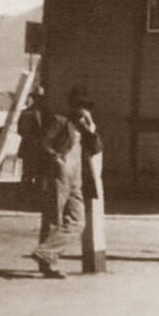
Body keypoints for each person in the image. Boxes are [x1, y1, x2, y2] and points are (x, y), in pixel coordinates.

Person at [32, 86, 102, 277]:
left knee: (78, 222)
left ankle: (45, 252)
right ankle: (49, 265)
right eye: (80, 105)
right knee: (53, 218)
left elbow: (96, 149)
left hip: (78, 178)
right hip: (60, 174)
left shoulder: (84, 128)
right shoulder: (60, 121)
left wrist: (91, 129)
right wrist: (56, 158)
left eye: (86, 106)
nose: (83, 110)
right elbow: (43, 143)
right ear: (72, 106)